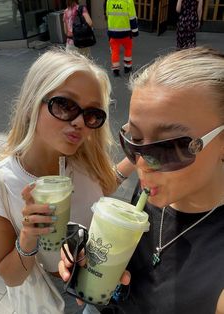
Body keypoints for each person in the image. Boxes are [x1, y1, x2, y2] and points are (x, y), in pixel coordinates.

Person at [58, 47, 224, 314]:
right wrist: (95, 257)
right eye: (134, 140)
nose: (143, 164)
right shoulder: (157, 188)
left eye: (169, 147)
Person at [0, 48, 134, 314]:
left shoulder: (83, 159)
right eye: (65, 105)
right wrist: (29, 235)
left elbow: (102, 187)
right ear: (33, 102)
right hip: (54, 300)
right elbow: (11, 277)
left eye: (92, 114)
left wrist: (136, 157)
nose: (80, 122)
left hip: (97, 284)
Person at [105, 0, 139, 77]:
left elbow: (108, 15)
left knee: (115, 51)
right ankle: (127, 67)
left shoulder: (109, 1)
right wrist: (135, 31)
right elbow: (132, 18)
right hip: (126, 33)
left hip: (113, 33)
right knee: (128, 49)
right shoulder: (128, 1)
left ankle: (115, 70)